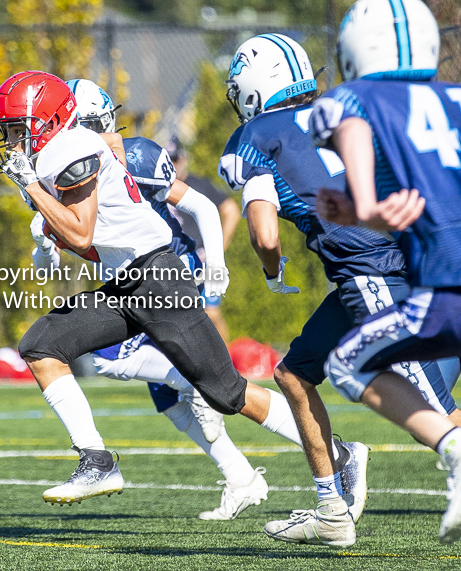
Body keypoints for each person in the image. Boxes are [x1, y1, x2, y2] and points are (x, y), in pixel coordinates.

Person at [0, 71, 360, 510]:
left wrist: (30, 186)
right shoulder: (60, 155)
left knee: (228, 393)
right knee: (41, 345)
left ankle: (340, 452)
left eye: (15, 130)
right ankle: (97, 459)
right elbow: (91, 245)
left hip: (158, 280)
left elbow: (83, 234)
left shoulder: (73, 150)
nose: (10, 143)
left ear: (47, 121)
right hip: (126, 283)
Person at [219, 32, 460, 547]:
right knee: (294, 373)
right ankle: (332, 511)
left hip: (377, 270)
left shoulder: (260, 134)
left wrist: (270, 268)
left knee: (438, 412)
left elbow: (263, 232)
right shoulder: (344, 110)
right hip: (401, 257)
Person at [308, 0, 461, 544]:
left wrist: (363, 205)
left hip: (446, 293)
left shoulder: (358, 96)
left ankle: (453, 452)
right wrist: (359, 211)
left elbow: (348, 120)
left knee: (346, 364)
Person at [165, 138, 240, 342]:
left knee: (211, 314)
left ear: (184, 159)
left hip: (201, 260)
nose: (172, 164)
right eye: (167, 159)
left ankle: (228, 369)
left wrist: (216, 250)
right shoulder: (156, 186)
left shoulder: (200, 184)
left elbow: (231, 212)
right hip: (170, 261)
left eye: (175, 159)